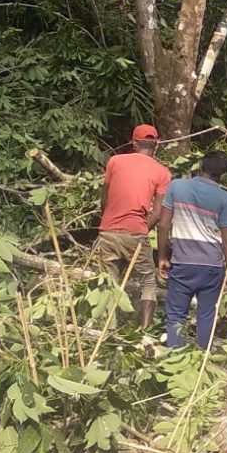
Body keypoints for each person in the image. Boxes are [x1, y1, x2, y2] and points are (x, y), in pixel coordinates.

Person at [156, 150, 227, 350]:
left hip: (182, 262)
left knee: (176, 314)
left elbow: (163, 225)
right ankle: (204, 356)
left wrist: (162, 256)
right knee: (207, 314)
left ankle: (175, 355)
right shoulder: (224, 198)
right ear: (223, 174)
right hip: (212, 266)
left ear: (201, 165)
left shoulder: (177, 187)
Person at [95, 124, 170, 327]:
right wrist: (141, 230)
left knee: (109, 281)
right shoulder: (163, 173)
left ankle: (108, 328)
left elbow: (104, 200)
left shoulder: (115, 161)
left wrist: (109, 221)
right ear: (156, 145)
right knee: (148, 281)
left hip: (108, 230)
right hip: (136, 231)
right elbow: (157, 214)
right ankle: (145, 330)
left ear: (133, 142)